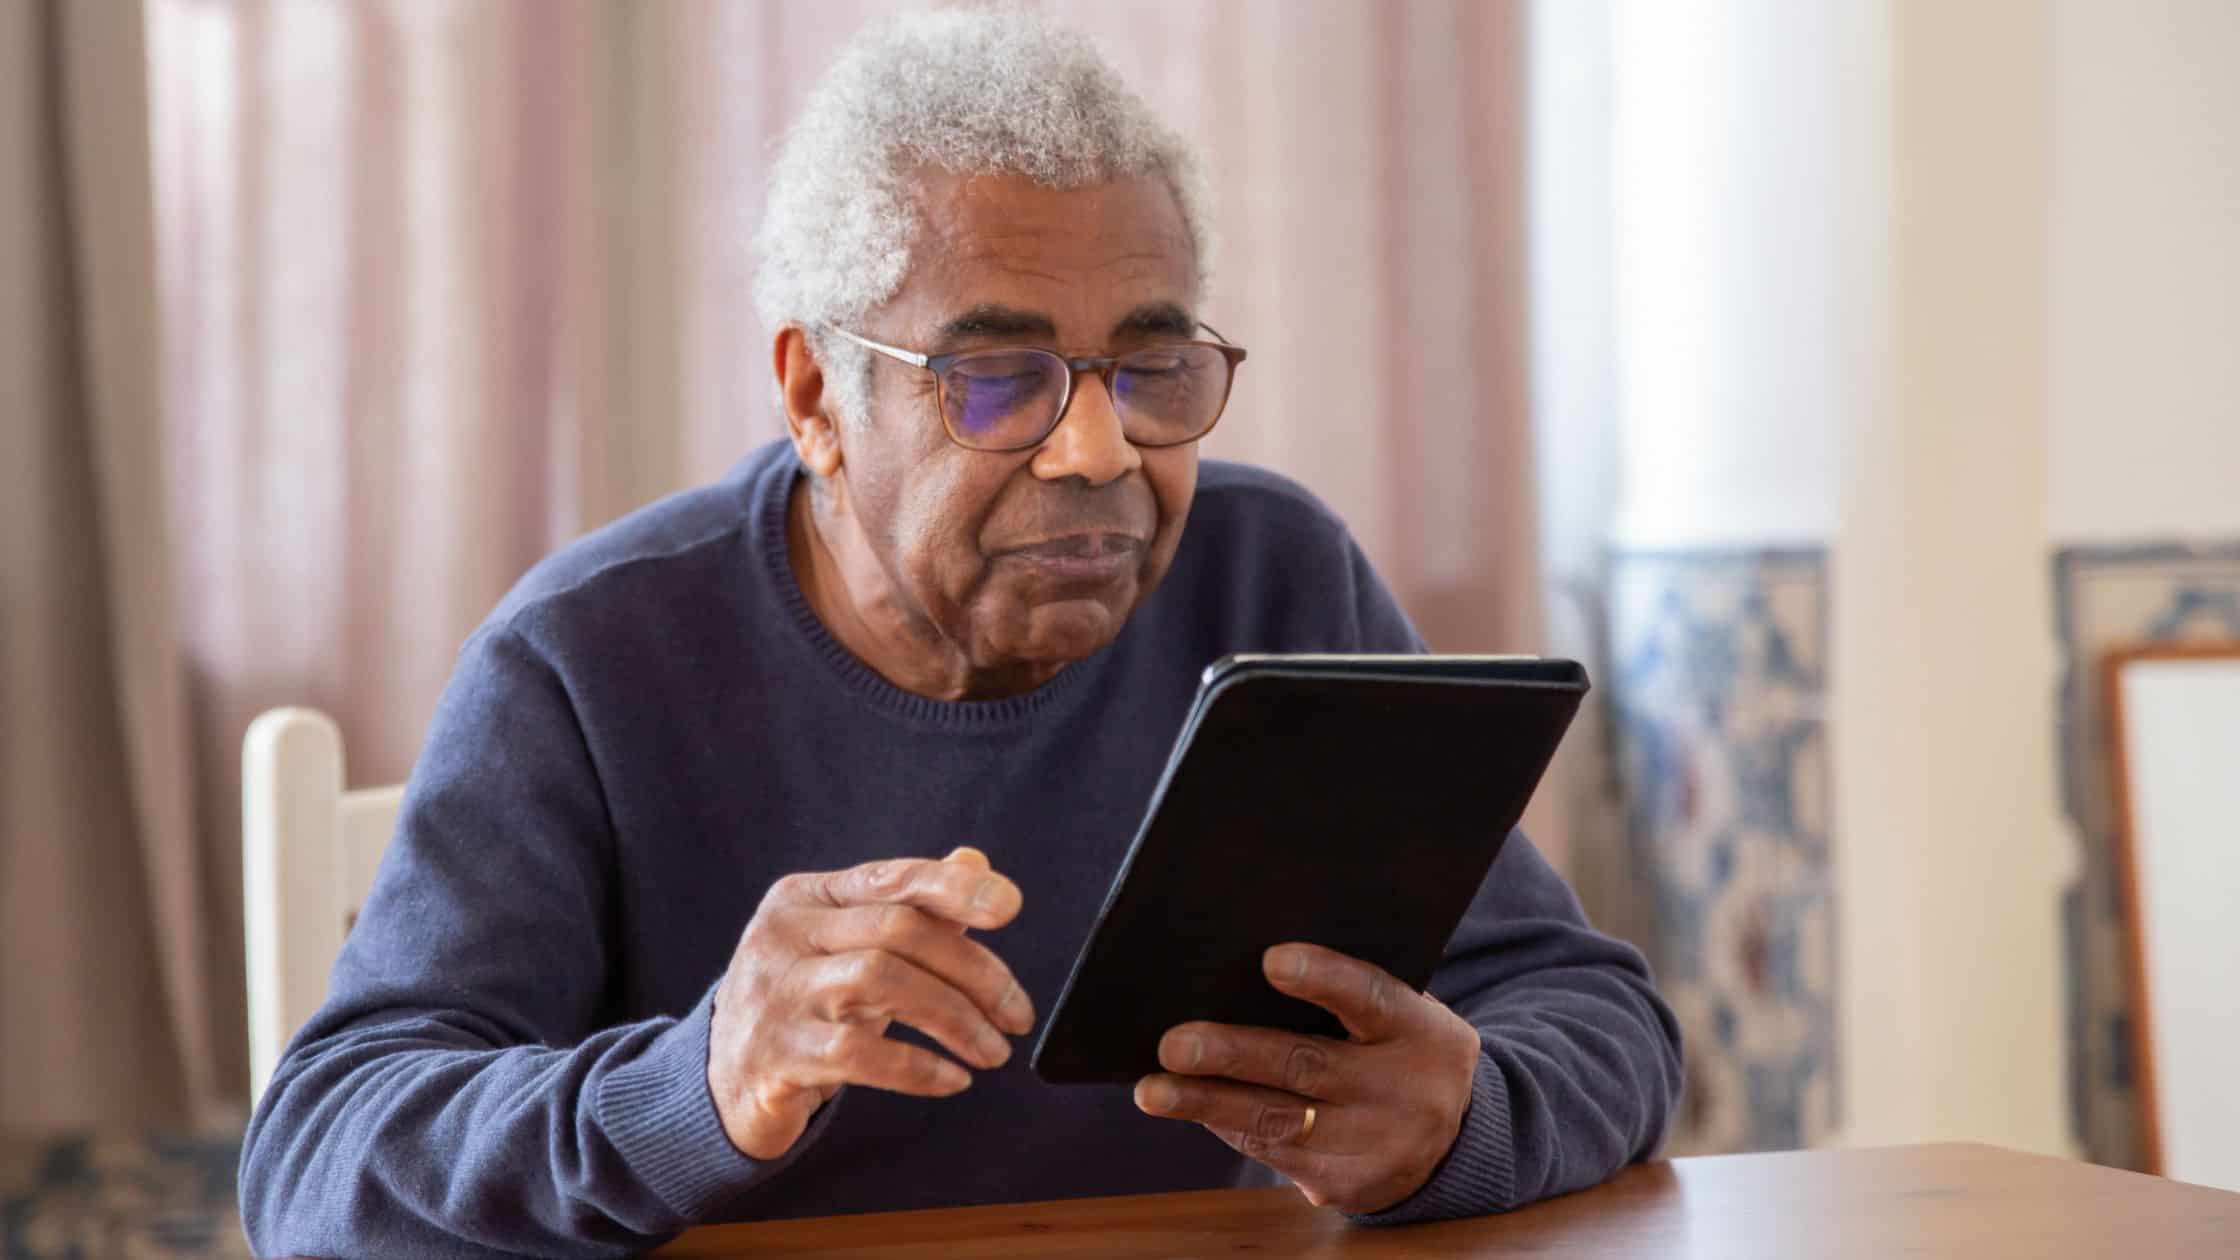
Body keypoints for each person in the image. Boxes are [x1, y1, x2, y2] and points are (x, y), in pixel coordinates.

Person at [238, 9, 1681, 1258]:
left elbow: (1599, 1017)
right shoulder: (590, 660)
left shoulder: (1275, 578)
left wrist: (1462, 1121)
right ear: (814, 398)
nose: (1097, 452)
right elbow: (313, 1164)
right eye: (998, 379)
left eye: (1154, 367)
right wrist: (696, 1085)